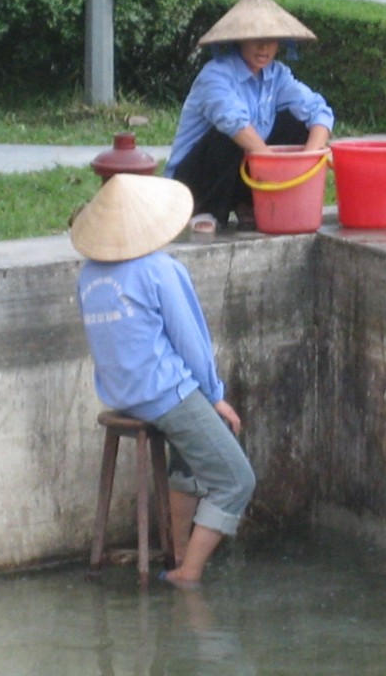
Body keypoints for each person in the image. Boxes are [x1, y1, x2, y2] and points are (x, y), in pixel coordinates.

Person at [70, 173, 256, 587]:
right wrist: (214, 395)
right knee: (237, 480)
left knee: (192, 458)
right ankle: (188, 573)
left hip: (122, 394)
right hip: (164, 394)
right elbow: (192, 342)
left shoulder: (89, 274)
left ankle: (175, 549)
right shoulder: (160, 269)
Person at [165, 0, 335, 232]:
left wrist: (307, 160)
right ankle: (207, 210)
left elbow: (319, 110)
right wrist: (273, 168)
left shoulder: (278, 75)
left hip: (248, 169)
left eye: (271, 40)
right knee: (233, 136)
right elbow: (234, 123)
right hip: (193, 180)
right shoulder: (215, 75)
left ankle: (248, 203)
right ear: (239, 40)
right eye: (255, 39)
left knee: (297, 124)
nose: (264, 47)